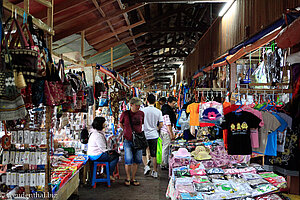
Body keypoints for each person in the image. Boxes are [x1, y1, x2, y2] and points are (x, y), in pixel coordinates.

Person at [120, 97, 144, 186]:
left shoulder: (141, 114)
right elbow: (121, 123)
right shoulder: (125, 114)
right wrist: (126, 130)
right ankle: (128, 178)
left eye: (139, 105)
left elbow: (142, 124)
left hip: (138, 140)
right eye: (136, 105)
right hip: (128, 139)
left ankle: (133, 178)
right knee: (128, 159)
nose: (138, 107)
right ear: (131, 105)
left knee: (137, 160)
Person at [87, 117, 119, 181]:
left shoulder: (95, 133)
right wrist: (110, 151)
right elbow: (103, 149)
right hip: (96, 155)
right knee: (115, 156)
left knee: (111, 155)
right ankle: (108, 174)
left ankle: (105, 172)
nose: (104, 125)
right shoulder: (97, 135)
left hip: (94, 154)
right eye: (103, 123)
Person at [142, 94, 163, 178]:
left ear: (147, 101)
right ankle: (155, 171)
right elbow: (161, 124)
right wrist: (156, 128)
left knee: (144, 153)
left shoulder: (143, 111)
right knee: (153, 154)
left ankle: (146, 166)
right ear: (155, 101)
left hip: (144, 134)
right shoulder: (158, 111)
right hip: (154, 135)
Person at [160, 96, 177, 169]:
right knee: (166, 148)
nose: (174, 105)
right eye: (173, 103)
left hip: (165, 131)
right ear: (169, 103)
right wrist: (171, 134)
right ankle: (164, 164)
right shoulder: (166, 111)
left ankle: (165, 163)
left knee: (166, 147)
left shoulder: (167, 109)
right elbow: (168, 124)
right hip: (166, 132)